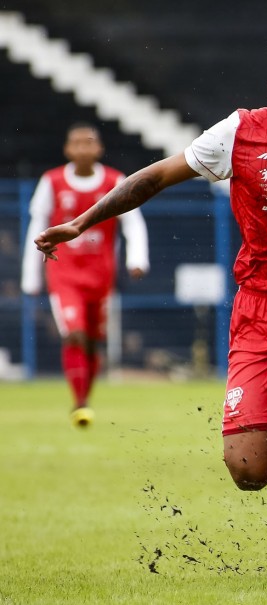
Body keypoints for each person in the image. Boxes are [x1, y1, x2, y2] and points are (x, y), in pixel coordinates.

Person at [33, 26, 267, 579]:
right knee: (250, 469)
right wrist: (82, 222)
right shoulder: (240, 134)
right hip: (259, 309)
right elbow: (154, 178)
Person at [21, 122, 149, 428]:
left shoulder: (114, 180)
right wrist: (31, 277)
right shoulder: (51, 182)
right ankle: (80, 402)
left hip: (101, 275)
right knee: (74, 333)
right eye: (76, 143)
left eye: (88, 142)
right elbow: (35, 228)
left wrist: (137, 259)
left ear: (99, 149)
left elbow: (133, 222)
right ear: (67, 149)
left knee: (92, 341)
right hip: (63, 273)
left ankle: (84, 395)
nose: (82, 148)